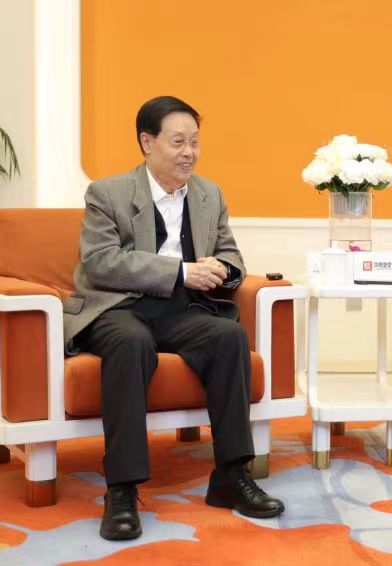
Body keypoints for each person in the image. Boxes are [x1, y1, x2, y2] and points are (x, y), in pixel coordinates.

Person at [63, 96, 284, 541]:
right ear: (147, 142)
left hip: (181, 310)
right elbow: (101, 262)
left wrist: (224, 269)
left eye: (195, 142)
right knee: (131, 343)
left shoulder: (208, 194)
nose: (189, 153)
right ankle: (121, 490)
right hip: (117, 306)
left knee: (228, 337)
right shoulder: (108, 193)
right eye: (178, 142)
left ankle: (230, 476)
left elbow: (231, 254)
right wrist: (181, 271)